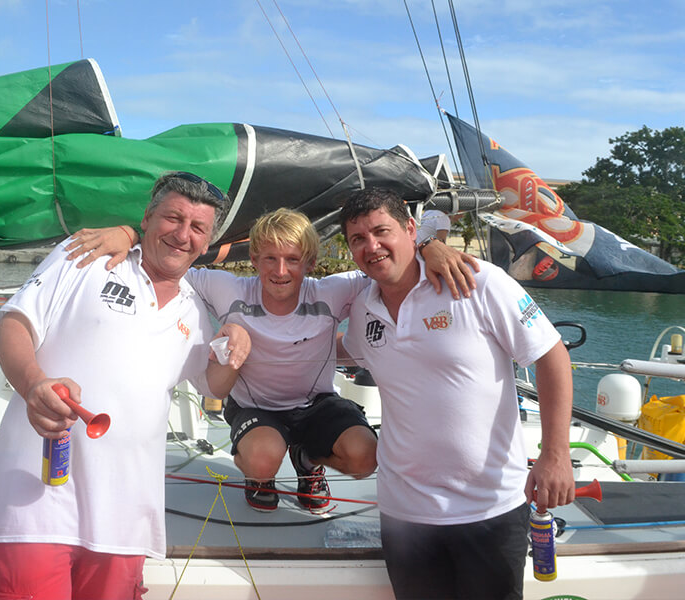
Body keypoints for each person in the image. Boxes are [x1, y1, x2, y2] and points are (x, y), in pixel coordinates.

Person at [65, 208, 479, 513]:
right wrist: (126, 233)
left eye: (293, 260)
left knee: (365, 457)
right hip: (254, 408)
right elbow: (169, 258)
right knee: (265, 458)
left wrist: (430, 246)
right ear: (255, 260)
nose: (280, 271)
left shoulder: (331, 293)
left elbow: (390, 260)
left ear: (310, 263)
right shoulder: (227, 289)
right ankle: (259, 471)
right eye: (269, 259)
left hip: (314, 403)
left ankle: (308, 459)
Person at [0, 172, 251, 600]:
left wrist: (238, 342)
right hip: (37, 501)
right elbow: (13, 325)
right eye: (172, 218)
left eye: (197, 228)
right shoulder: (84, 255)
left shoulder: (195, 311)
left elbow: (212, 381)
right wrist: (33, 385)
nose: (182, 235)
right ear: (146, 218)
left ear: (207, 241)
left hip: (125, 519)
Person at [338, 187, 575, 600]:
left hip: (491, 509)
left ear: (411, 230)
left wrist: (556, 454)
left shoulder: (477, 281)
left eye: (382, 232)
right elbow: (340, 349)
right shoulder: (362, 309)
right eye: (358, 239)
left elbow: (551, 356)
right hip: (405, 515)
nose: (372, 247)